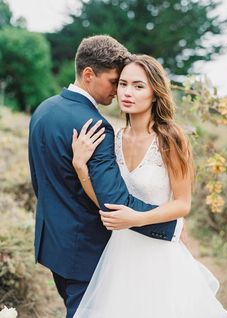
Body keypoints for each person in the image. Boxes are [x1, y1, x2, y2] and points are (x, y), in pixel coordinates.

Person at [28, 36, 181, 318]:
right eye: (115, 81)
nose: (118, 91)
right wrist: (169, 225)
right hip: (86, 251)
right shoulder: (96, 126)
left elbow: (40, 181)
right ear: (89, 75)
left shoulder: (44, 110)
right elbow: (114, 200)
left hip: (53, 245)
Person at [72, 54, 227, 317]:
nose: (127, 92)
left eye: (138, 86)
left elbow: (182, 204)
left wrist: (138, 217)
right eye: (123, 84)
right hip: (120, 256)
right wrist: (81, 168)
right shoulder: (114, 138)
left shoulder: (170, 137)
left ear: (155, 93)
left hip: (158, 256)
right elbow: (108, 204)